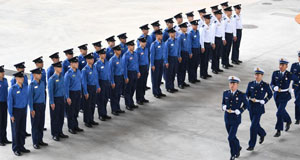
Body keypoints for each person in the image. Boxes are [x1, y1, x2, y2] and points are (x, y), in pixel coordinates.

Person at [222, 76, 249, 160]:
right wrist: (223, 107)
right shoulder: (225, 93)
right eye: (230, 83)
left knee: (230, 137)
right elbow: (223, 103)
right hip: (227, 117)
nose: (232, 85)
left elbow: (246, 104)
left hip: (235, 118)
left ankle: (233, 153)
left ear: (237, 84)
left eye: (234, 83)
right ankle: (238, 146)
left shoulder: (241, 95)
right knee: (232, 136)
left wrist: (240, 110)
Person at [246, 67, 273, 151]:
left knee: (253, 126)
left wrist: (264, 101)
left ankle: (251, 145)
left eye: (258, 74)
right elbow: (246, 94)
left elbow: (270, 94)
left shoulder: (265, 85)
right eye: (255, 74)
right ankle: (262, 133)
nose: (256, 76)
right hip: (251, 107)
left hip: (259, 108)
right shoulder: (251, 84)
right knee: (255, 124)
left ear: (262, 75)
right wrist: (249, 98)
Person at [271, 58, 298, 137]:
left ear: (286, 66)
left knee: (279, 113)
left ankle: (278, 130)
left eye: (283, 65)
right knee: (281, 111)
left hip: (285, 95)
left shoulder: (289, 74)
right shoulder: (275, 73)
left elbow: (297, 80)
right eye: (280, 65)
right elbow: (272, 83)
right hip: (277, 95)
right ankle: (288, 120)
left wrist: (293, 88)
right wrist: (273, 87)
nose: (281, 66)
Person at [8, 71, 30, 156]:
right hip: (16, 111)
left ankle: (21, 146)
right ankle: (16, 148)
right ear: (16, 79)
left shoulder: (25, 87)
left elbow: (26, 98)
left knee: (22, 129)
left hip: (23, 110)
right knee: (16, 131)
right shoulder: (12, 89)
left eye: (23, 77)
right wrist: (11, 114)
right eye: (20, 77)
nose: (22, 79)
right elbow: (10, 103)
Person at [48, 61, 69, 141]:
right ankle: (55, 134)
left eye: (61, 67)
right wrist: (52, 102)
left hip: (61, 99)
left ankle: (60, 131)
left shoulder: (62, 77)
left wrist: (65, 97)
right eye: (59, 67)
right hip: (55, 100)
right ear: (55, 68)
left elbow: (64, 88)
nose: (61, 69)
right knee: (55, 118)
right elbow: (51, 92)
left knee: (61, 117)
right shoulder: (52, 79)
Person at [28, 68, 48, 149]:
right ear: (34, 75)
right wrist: (32, 109)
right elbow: (30, 98)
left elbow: (44, 95)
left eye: (40, 74)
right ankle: (35, 142)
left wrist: (44, 104)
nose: (40, 75)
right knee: (35, 124)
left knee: (41, 123)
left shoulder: (42, 83)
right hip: (35, 106)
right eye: (38, 74)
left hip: (41, 106)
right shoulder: (32, 85)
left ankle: (40, 140)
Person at [64, 56, 84, 134]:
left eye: (77, 62)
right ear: (71, 64)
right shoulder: (68, 74)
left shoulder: (78, 71)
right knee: (71, 111)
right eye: (75, 63)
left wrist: (81, 93)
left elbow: (80, 83)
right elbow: (66, 87)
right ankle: (71, 127)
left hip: (78, 93)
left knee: (76, 110)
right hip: (71, 93)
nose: (77, 64)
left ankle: (75, 125)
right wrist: (67, 97)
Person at [10, 62, 30, 137]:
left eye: (23, 68)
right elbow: (13, 93)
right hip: (17, 103)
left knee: (23, 119)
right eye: (21, 68)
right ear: (17, 69)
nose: (23, 69)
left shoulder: (24, 77)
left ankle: (23, 131)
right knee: (17, 123)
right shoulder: (13, 80)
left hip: (23, 101)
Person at [81, 53, 101, 128]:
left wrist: (98, 86)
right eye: (90, 59)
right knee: (87, 106)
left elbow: (96, 78)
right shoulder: (84, 70)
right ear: (87, 60)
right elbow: (84, 82)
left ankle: (91, 119)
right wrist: (85, 92)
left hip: (94, 87)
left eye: (92, 59)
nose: (92, 60)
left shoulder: (94, 67)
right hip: (88, 88)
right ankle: (87, 120)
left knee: (92, 104)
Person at [122, 40, 140, 110]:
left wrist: (138, 72)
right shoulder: (126, 56)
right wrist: (126, 77)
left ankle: (131, 102)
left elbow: (137, 63)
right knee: (128, 89)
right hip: (129, 73)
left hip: (135, 72)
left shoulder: (135, 54)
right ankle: (128, 104)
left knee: (133, 88)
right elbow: (124, 68)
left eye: (134, 45)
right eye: (132, 46)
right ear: (128, 47)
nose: (133, 47)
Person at [95, 48, 112, 121]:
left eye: (105, 54)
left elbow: (109, 73)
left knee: (105, 98)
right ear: (99, 55)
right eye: (102, 54)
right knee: (100, 99)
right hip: (101, 82)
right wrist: (98, 86)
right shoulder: (97, 64)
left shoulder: (107, 62)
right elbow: (96, 77)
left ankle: (104, 113)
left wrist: (111, 81)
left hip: (107, 82)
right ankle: (101, 114)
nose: (104, 55)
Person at [109, 45, 126, 115]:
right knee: (114, 94)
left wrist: (124, 77)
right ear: (115, 51)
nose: (120, 51)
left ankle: (118, 107)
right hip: (115, 78)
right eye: (118, 50)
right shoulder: (112, 60)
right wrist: (112, 82)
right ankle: (114, 109)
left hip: (120, 77)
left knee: (118, 93)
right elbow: (111, 72)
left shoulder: (121, 58)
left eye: (120, 50)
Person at [150, 29, 166, 98]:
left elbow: (164, 53)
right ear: (156, 36)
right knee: (155, 78)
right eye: (160, 35)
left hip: (161, 62)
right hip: (156, 62)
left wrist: (165, 61)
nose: (161, 36)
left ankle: (159, 91)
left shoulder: (163, 43)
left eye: (161, 34)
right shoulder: (154, 44)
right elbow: (152, 55)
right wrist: (152, 64)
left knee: (159, 77)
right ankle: (155, 92)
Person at [164, 27, 180, 93]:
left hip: (175, 58)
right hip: (170, 58)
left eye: (174, 33)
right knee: (169, 74)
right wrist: (166, 61)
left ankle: (172, 86)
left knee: (173, 73)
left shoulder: (177, 40)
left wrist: (179, 56)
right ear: (169, 34)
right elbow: (165, 53)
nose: (173, 34)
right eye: (171, 33)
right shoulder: (167, 42)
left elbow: (178, 49)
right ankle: (168, 87)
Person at [177, 22, 192, 89]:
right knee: (181, 69)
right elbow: (179, 47)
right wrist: (179, 56)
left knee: (184, 68)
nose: (185, 29)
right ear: (181, 28)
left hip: (186, 53)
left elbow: (189, 44)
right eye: (184, 27)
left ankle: (183, 81)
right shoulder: (180, 36)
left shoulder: (187, 35)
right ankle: (180, 82)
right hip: (182, 53)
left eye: (186, 27)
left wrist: (190, 52)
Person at [135, 37, 150, 105]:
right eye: (142, 42)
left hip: (145, 68)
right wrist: (138, 71)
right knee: (139, 84)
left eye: (145, 42)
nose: (144, 44)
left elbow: (147, 59)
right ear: (140, 43)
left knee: (144, 84)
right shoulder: (137, 51)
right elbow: (136, 62)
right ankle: (138, 99)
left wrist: (147, 68)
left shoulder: (146, 49)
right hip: (140, 68)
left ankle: (142, 97)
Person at [0, 65, 12, 146]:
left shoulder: (5, 80)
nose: (3, 73)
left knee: (4, 121)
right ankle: (0, 139)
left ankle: (4, 138)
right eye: (1, 72)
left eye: (3, 72)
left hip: (5, 103)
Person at [211, 9, 225, 74]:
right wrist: (213, 42)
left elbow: (222, 31)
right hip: (216, 39)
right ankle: (214, 68)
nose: (221, 15)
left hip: (220, 39)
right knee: (215, 55)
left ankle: (217, 67)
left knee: (218, 54)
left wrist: (223, 39)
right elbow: (213, 33)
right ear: (216, 15)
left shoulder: (221, 21)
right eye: (220, 14)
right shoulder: (215, 23)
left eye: (221, 14)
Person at [200, 14, 213, 79]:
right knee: (203, 60)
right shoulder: (203, 27)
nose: (209, 20)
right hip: (204, 45)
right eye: (208, 19)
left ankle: (206, 72)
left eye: (209, 19)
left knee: (207, 60)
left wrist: (211, 43)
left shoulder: (209, 26)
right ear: (205, 20)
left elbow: (210, 36)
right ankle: (202, 74)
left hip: (208, 44)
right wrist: (202, 46)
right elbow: (201, 38)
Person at [290, 51, 300, 124]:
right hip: (297, 87)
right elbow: (291, 75)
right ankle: (297, 118)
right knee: (297, 102)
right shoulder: (294, 65)